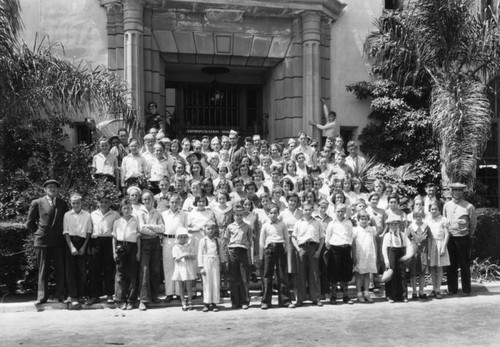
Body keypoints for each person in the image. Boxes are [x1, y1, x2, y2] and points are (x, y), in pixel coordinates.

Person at [27, 179, 69, 305]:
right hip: (43, 241)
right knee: (43, 269)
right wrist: (39, 232)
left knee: (60, 269)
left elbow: (65, 221)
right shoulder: (37, 202)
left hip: (58, 241)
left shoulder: (62, 203)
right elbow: (30, 223)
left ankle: (61, 295)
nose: (52, 189)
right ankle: (42, 296)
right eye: (50, 187)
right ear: (45, 189)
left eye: (55, 187)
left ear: (58, 190)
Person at [443, 182, 477, 296]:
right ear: (451, 192)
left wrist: (468, 235)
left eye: (460, 190)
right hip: (450, 238)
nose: (457, 192)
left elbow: (473, 224)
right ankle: (452, 288)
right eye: (455, 190)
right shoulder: (446, 205)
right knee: (451, 264)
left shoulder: (468, 206)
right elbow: (444, 221)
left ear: (463, 192)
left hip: (463, 238)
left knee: (464, 264)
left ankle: (466, 289)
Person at [259, 204, 295, 309]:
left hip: (280, 248)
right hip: (269, 249)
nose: (273, 215)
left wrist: (285, 250)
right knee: (267, 275)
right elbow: (261, 240)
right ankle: (266, 301)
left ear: (278, 213)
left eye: (275, 213)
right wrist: (264, 251)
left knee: (282, 275)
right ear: (268, 214)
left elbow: (287, 239)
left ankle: (285, 301)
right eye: (271, 213)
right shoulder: (265, 225)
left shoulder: (282, 224)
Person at [87, 194, 120, 305]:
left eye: (106, 202)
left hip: (108, 241)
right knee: (94, 269)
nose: (104, 204)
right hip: (95, 241)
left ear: (109, 203)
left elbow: (118, 229)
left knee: (109, 269)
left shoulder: (115, 215)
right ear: (98, 203)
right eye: (101, 202)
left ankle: (109, 294)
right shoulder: (92, 214)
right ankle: (95, 295)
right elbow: (89, 229)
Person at [291, 202, 324, 307]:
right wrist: (298, 249)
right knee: (301, 274)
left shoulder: (317, 222)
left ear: (312, 210)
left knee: (314, 273)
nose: (307, 212)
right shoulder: (298, 223)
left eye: (309, 210)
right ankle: (300, 298)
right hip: (302, 248)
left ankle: (316, 298)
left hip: (313, 247)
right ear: (302, 210)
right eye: (305, 210)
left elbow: (322, 238)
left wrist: (318, 251)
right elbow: (293, 237)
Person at [63, 193, 92, 307]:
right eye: (73, 203)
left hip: (83, 242)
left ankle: (81, 295)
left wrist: (84, 247)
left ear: (82, 203)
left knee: (82, 271)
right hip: (70, 242)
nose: (75, 205)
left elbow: (89, 231)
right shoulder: (67, 215)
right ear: (71, 204)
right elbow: (65, 231)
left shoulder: (87, 215)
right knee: (71, 271)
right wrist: (72, 247)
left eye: (78, 203)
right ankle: (73, 296)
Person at [137, 190, 165, 311]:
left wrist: (150, 226)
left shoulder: (157, 213)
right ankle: (143, 299)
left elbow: (163, 228)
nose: (147, 201)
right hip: (144, 242)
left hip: (155, 244)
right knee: (144, 270)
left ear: (153, 200)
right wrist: (155, 232)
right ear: (142, 201)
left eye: (149, 199)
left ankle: (154, 296)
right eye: (144, 199)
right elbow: (141, 228)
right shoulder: (139, 213)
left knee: (155, 269)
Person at [113, 198, 141, 310]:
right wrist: (114, 252)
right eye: (124, 208)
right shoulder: (117, 222)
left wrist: (138, 252)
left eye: (128, 208)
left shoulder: (135, 221)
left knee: (132, 274)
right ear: (121, 209)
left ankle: (131, 300)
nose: (126, 210)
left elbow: (138, 238)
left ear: (131, 209)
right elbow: (114, 238)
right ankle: (121, 300)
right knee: (120, 275)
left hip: (132, 247)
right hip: (120, 247)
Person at [224, 204, 253, 309]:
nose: (239, 217)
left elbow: (250, 242)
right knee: (233, 278)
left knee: (244, 277)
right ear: (233, 215)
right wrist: (227, 254)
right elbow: (226, 240)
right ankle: (235, 301)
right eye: (237, 215)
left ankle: (245, 301)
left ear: (243, 215)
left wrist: (250, 257)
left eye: (241, 215)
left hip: (243, 251)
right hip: (232, 251)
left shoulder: (247, 227)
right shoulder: (230, 226)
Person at [325, 203, 354, 305]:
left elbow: (351, 236)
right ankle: (333, 296)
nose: (340, 213)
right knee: (334, 272)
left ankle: (345, 296)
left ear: (345, 212)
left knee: (346, 272)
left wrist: (348, 245)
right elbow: (328, 238)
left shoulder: (349, 223)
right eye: (338, 211)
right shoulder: (331, 223)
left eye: (342, 211)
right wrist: (330, 247)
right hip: (334, 249)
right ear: (335, 212)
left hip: (345, 249)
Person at [382, 213, 413, 303]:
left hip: (401, 254)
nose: (394, 226)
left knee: (402, 275)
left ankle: (403, 296)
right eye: (392, 224)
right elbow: (384, 249)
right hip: (391, 254)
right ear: (389, 225)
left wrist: (407, 256)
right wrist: (386, 261)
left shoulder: (403, 235)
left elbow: (409, 245)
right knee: (392, 275)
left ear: (399, 224)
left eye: (396, 224)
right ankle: (391, 296)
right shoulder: (387, 236)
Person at [161, 193, 186, 302]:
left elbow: (185, 229)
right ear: (168, 203)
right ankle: (169, 293)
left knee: (180, 266)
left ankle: (179, 292)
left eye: (176, 202)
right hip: (167, 241)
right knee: (168, 267)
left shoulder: (183, 215)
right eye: (172, 202)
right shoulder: (163, 214)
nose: (174, 204)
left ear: (179, 203)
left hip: (179, 241)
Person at [427, 201, 450, 299]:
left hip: (440, 243)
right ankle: (433, 288)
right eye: (432, 209)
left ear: (439, 210)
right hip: (430, 244)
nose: (433, 211)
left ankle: (438, 289)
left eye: (435, 209)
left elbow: (447, 234)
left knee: (439, 267)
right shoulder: (427, 220)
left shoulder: (443, 220)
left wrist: (444, 247)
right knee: (432, 267)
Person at [352, 210, 377, 303]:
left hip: (370, 254)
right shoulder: (355, 230)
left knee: (367, 274)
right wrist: (354, 256)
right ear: (358, 220)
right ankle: (359, 294)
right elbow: (353, 245)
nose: (364, 221)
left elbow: (374, 242)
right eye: (361, 219)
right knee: (359, 274)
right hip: (359, 255)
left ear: (368, 220)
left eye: (365, 219)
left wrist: (376, 255)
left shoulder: (372, 229)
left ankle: (366, 293)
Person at [198, 221, 222, 312]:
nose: (210, 230)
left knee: (215, 282)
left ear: (215, 229)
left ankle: (214, 303)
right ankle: (207, 303)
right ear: (205, 230)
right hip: (206, 262)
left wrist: (222, 262)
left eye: (212, 228)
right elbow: (200, 254)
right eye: (208, 229)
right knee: (207, 283)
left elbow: (221, 253)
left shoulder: (217, 240)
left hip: (215, 262)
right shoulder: (202, 241)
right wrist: (201, 267)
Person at [406, 209, 429, 300]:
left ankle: (421, 291)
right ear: (414, 217)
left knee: (422, 272)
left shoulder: (426, 227)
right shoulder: (411, 227)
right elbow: (407, 238)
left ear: (422, 217)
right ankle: (414, 292)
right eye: (416, 217)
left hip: (423, 251)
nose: (418, 218)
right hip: (414, 251)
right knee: (413, 272)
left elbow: (429, 238)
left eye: (420, 216)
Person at [172, 228, 197, 311]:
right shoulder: (175, 247)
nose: (183, 239)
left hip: (188, 267)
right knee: (181, 286)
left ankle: (190, 301)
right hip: (180, 268)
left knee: (189, 286)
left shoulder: (189, 246)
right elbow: (176, 259)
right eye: (181, 237)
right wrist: (183, 255)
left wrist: (189, 255)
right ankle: (183, 301)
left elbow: (194, 256)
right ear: (178, 238)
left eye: (184, 237)